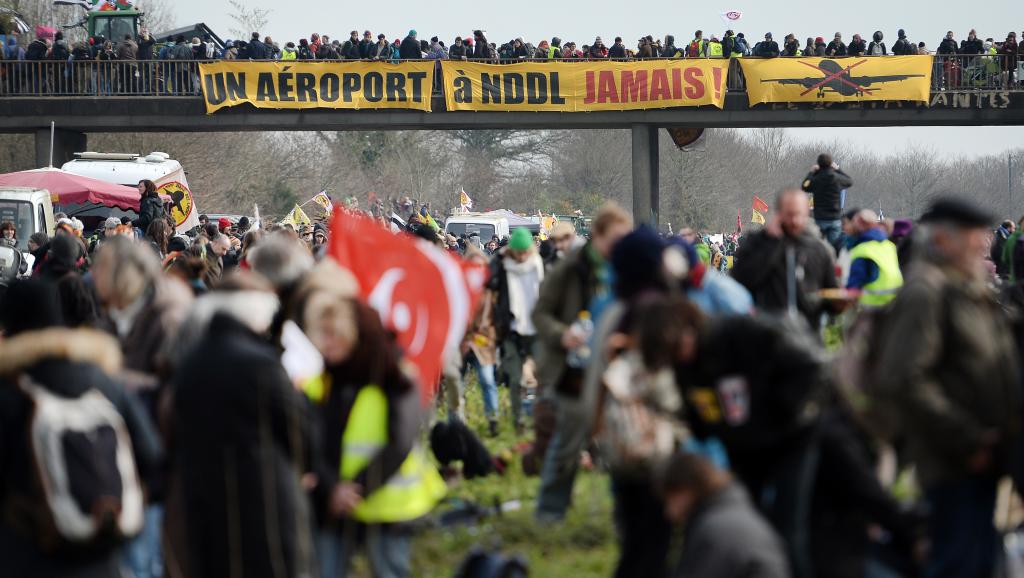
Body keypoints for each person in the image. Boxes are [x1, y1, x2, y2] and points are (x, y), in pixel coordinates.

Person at [875, 198, 1020, 578]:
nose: (982, 244)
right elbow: (905, 378)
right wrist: (966, 439)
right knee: (959, 563)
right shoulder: (926, 292)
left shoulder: (967, 287)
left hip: (983, 456)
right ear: (944, 240)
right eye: (973, 236)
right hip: (954, 459)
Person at [290, 261, 445, 578]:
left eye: (333, 335)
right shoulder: (322, 378)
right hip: (332, 503)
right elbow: (310, 437)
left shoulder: (392, 371)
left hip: (385, 505)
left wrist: (354, 488)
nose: (326, 345)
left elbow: (400, 438)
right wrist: (332, 488)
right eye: (320, 336)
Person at [0, 279, 163, 578]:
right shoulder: (103, 382)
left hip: (24, 558)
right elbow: (153, 460)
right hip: (103, 558)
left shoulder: (10, 390)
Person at [164, 273, 315, 578]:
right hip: (265, 494)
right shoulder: (262, 364)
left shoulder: (190, 362)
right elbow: (299, 430)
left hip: (202, 495)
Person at [533, 204, 632, 521]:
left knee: (620, 441)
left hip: (612, 366)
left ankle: (619, 516)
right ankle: (550, 511)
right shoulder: (571, 267)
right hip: (572, 368)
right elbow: (540, 313)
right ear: (598, 236)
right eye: (614, 240)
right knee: (568, 441)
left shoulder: (625, 270)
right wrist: (563, 335)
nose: (619, 248)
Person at [660, 452, 790, 578]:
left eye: (669, 500)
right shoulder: (731, 514)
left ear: (685, 490)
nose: (669, 512)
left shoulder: (716, 528)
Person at [732, 188, 839, 330]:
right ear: (778, 214)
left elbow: (830, 293)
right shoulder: (756, 243)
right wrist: (771, 242)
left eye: (798, 215)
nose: (794, 221)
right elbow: (741, 281)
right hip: (766, 333)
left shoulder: (818, 249)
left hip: (807, 337)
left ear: (806, 214)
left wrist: (838, 305)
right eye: (789, 215)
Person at [488, 227, 544, 433]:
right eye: (518, 252)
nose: (521, 257)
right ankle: (518, 418)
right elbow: (489, 282)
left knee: (541, 376)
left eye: (524, 252)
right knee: (515, 376)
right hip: (510, 328)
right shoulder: (502, 266)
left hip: (536, 327)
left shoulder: (538, 265)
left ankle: (539, 417)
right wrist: (498, 260)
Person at [844, 209, 904, 307]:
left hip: (871, 307)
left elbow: (853, 287)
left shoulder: (862, 250)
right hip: (895, 304)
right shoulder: (889, 245)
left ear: (861, 224)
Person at [801, 153, 854, 252]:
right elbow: (849, 181)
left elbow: (804, 186)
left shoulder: (816, 179)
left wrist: (811, 173)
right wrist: (838, 169)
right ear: (831, 164)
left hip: (819, 218)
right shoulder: (837, 178)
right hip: (834, 218)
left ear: (818, 164)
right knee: (834, 248)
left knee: (818, 248)